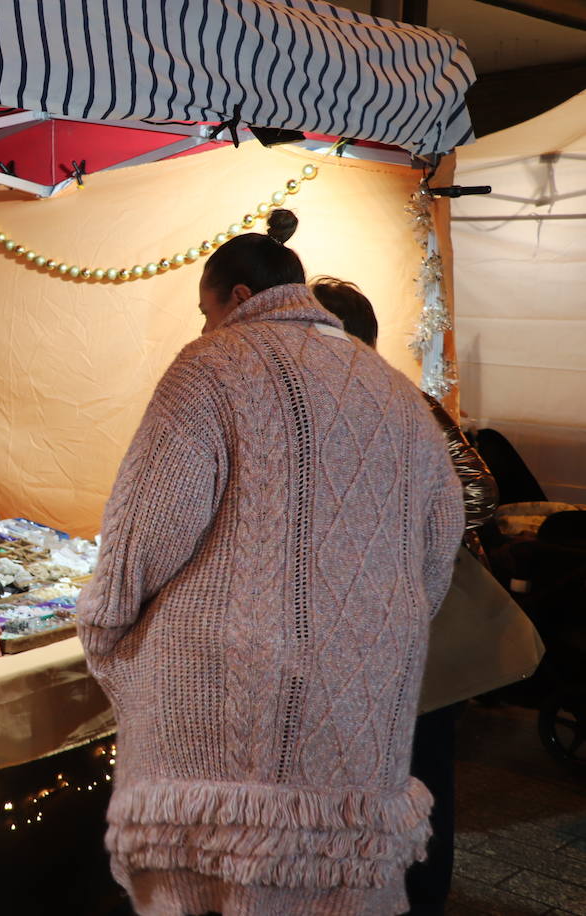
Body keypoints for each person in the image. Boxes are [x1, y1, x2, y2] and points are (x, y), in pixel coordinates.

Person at [78, 210, 464, 916]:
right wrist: (374, 627)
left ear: (237, 296)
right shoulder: (391, 388)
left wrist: (105, 630)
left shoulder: (211, 366)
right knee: (336, 882)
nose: (204, 328)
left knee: (216, 880)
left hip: (226, 699)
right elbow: (440, 543)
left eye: (205, 311)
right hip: (366, 692)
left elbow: (146, 531)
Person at [311, 276, 501, 916]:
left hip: (408, 632)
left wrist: (395, 549)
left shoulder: (393, 402)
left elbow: (477, 496)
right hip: (368, 633)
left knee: (418, 765)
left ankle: (416, 897)